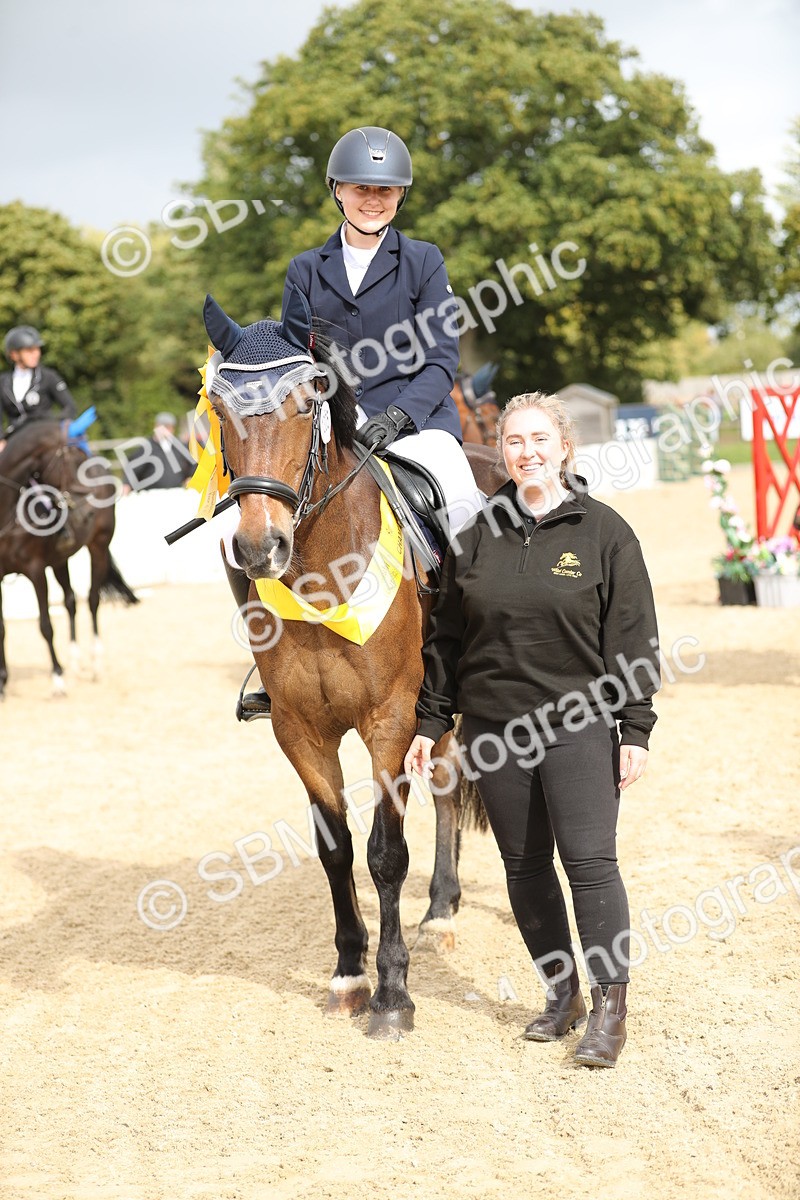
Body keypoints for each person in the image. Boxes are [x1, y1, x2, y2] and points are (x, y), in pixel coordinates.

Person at [404, 391, 660, 1068]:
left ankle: (611, 1007)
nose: (527, 452)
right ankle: (562, 992)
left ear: (565, 447)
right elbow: (446, 642)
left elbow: (633, 639)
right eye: (515, 441)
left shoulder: (605, 533)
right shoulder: (473, 538)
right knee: (523, 866)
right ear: (504, 452)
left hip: (578, 725)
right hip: (493, 731)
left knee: (589, 862)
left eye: (540, 439)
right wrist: (432, 722)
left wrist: (634, 728)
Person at [233, 125, 482, 720]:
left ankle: (474, 644)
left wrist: (398, 416)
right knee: (255, 512)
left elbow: (442, 357)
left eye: (386, 190)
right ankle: (274, 664)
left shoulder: (423, 261)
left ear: (400, 198)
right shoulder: (305, 269)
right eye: (360, 187)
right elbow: (294, 355)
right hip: (333, 420)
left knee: (464, 504)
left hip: (417, 419)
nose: (374, 198)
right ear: (337, 191)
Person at [0, 326, 77, 453]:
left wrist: (50, 422)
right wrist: (1, 439)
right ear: (14, 354)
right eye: (30, 350)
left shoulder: (49, 377)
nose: (36, 354)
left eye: (37, 349)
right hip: (15, 439)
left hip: (45, 437)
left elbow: (70, 407)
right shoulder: (2, 382)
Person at [126, 412, 195, 491]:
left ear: (173, 429)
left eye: (168, 427)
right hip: (150, 494)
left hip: (176, 493)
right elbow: (133, 468)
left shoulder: (180, 447)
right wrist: (127, 484)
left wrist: (190, 477)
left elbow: (193, 464)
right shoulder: (146, 448)